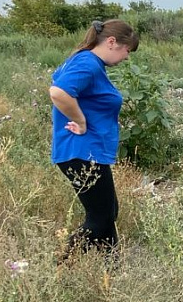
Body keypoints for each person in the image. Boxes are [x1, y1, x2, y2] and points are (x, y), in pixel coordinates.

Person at [49, 19, 139, 263]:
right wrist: (81, 121)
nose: (126, 58)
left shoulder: (88, 62)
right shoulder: (88, 62)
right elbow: (58, 92)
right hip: (81, 152)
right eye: (126, 50)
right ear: (111, 42)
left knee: (108, 213)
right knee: (100, 217)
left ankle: (112, 270)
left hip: (88, 152)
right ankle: (62, 267)